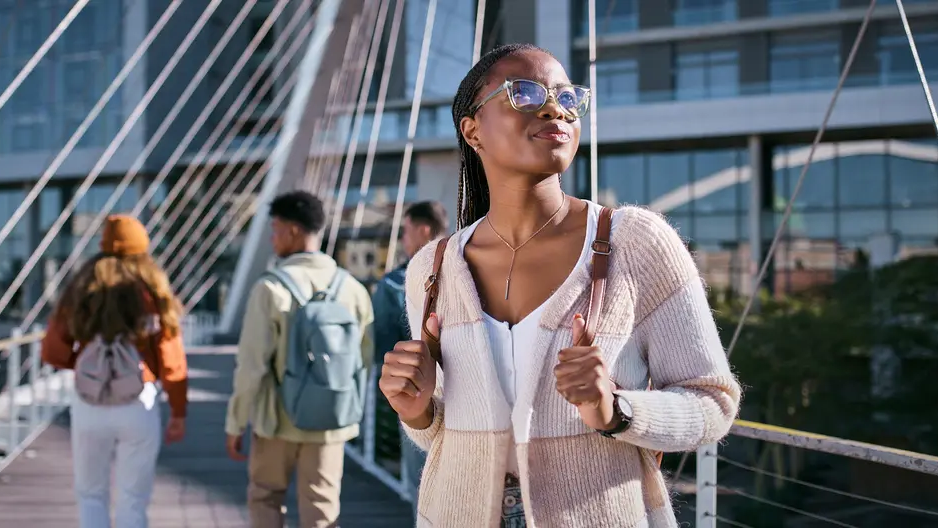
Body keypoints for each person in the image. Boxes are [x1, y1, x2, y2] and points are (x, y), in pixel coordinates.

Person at [378, 43, 742, 527]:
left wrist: (615, 409)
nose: (554, 107)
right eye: (524, 93)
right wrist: (418, 410)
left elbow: (713, 403)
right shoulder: (433, 266)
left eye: (568, 97)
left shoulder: (637, 242)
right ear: (472, 130)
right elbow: (440, 431)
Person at [226, 190, 375, 528]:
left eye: (275, 228)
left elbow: (251, 366)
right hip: (328, 421)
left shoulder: (270, 289)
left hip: (275, 421)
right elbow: (362, 362)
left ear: (293, 230)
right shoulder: (353, 290)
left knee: (265, 498)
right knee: (322, 509)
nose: (272, 237)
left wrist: (236, 422)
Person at [41, 214, 189, 528]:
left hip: (89, 402)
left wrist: (84, 364)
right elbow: (171, 358)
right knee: (133, 498)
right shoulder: (152, 289)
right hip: (138, 401)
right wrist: (178, 411)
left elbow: (53, 350)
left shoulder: (82, 285)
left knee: (91, 494)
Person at [370, 201, 448, 515]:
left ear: (423, 230)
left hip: (418, 394)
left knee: (421, 485)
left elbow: (384, 346)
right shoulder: (467, 266)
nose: (403, 239)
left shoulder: (394, 283)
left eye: (405, 230)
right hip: (469, 398)